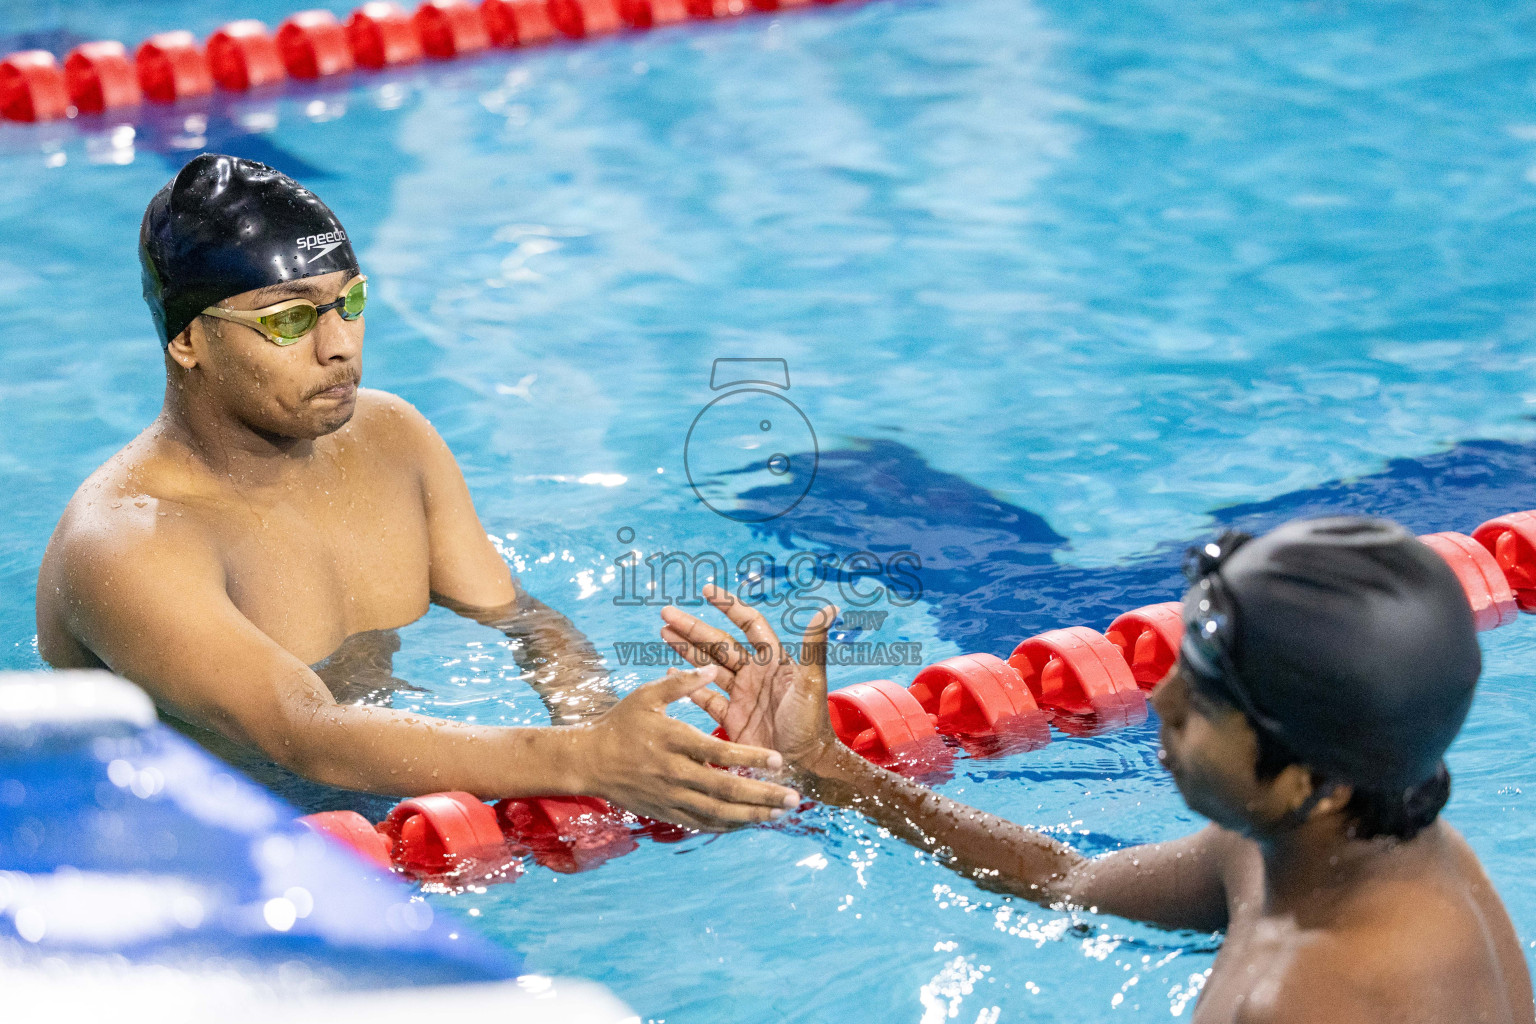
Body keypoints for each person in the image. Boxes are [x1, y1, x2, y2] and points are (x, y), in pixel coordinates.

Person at [35, 153, 800, 831]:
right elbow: (301, 731)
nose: (338, 345)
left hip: (408, 827)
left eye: (351, 303)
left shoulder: (391, 440)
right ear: (188, 339)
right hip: (220, 868)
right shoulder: (127, 543)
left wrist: (611, 743)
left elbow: (523, 621)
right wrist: (577, 760)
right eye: (290, 318)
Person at [660, 517, 1535, 1022]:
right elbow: (1068, 882)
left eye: (1203, 702)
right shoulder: (1333, 848)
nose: (1158, 703)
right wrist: (830, 768)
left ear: (1310, 777)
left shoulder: (1316, 995)